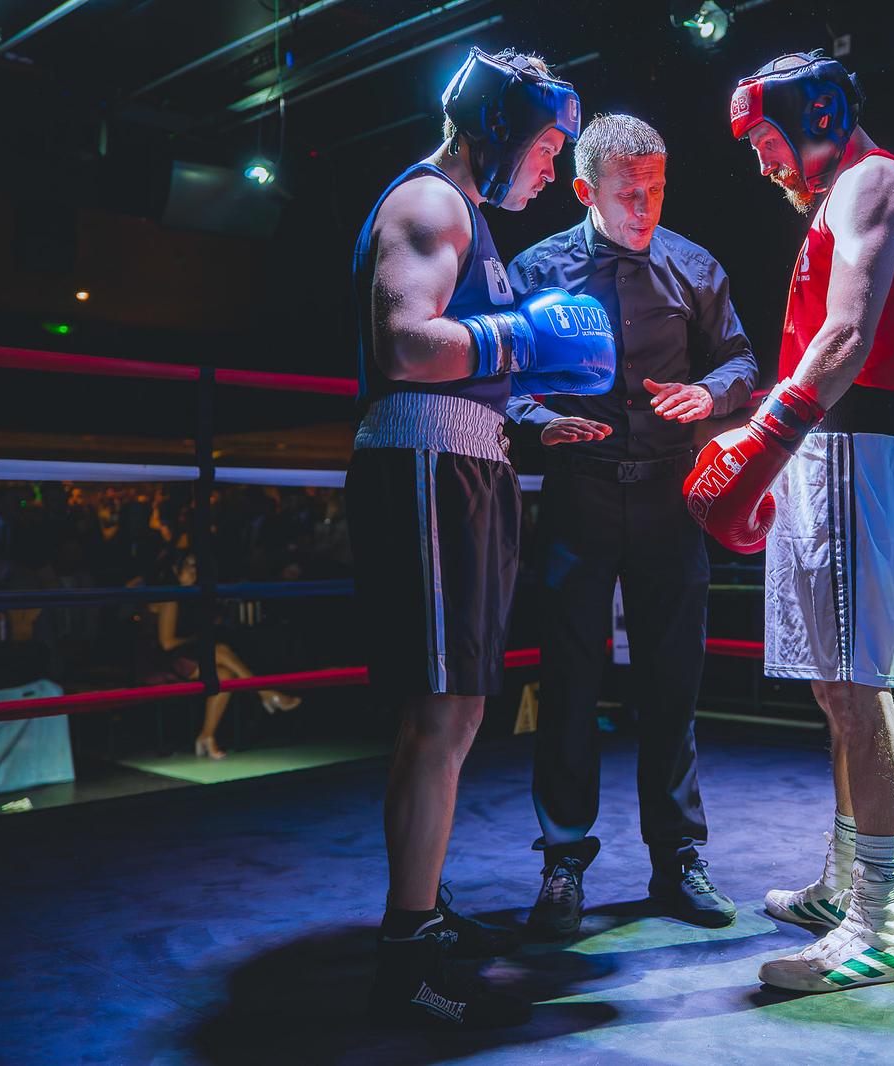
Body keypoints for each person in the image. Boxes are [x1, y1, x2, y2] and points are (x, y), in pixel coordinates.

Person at [343, 47, 611, 1030]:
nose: (550, 169)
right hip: (425, 463)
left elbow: (467, 357)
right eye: (546, 146)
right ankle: (405, 950)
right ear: (499, 128)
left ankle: (424, 913)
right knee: (438, 710)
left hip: (466, 461)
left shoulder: (474, 220)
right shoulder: (431, 204)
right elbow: (404, 343)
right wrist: (527, 339)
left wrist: (529, 402)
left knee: (457, 714)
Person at [688, 49, 894, 994]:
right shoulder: (835, 195)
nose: (763, 163)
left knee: (859, 688)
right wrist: (759, 434)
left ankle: (878, 926)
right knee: (835, 690)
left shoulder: (873, 179)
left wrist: (762, 442)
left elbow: (845, 336)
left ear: (817, 115)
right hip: (818, 448)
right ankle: (843, 887)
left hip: (845, 446)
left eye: (769, 141)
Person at [506, 114, 756, 937]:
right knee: (570, 682)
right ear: (585, 191)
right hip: (577, 489)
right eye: (628, 191)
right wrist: (538, 419)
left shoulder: (693, 265)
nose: (645, 205)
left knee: (671, 683)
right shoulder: (537, 268)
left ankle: (678, 859)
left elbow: (742, 361)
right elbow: (498, 383)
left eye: (656, 188)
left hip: (667, 492)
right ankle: (562, 865)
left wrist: (710, 397)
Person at [137, 550, 301, 761]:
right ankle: (267, 693)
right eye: (189, 565)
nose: (195, 570)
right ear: (174, 570)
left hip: (175, 659)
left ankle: (206, 736)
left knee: (224, 676)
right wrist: (198, 638)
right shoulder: (170, 597)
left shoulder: (184, 596)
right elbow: (167, 643)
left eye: (196, 565)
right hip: (158, 664)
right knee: (220, 650)